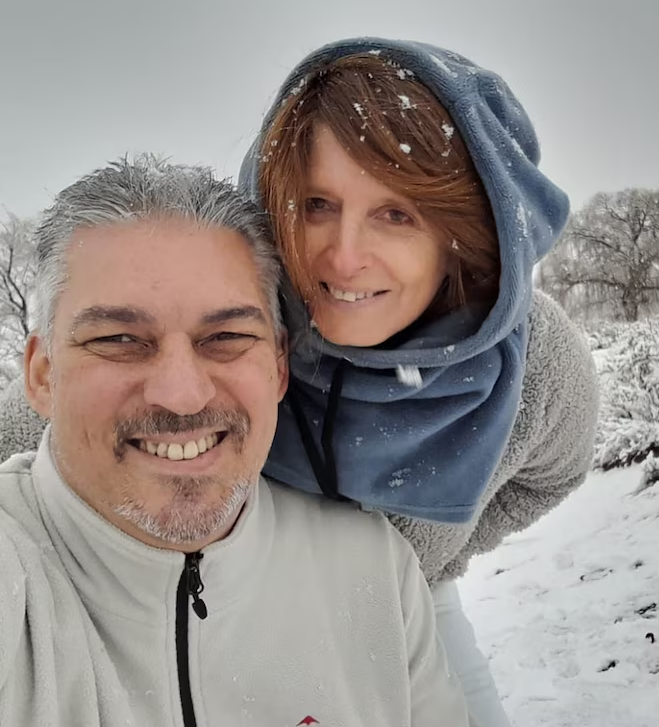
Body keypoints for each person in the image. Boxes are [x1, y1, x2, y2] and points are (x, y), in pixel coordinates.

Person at [0, 37, 600, 725]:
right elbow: (58, 431)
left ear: (462, 231)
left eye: (396, 214)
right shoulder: (232, 304)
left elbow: (553, 474)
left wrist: (425, 559)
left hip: (404, 604)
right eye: (316, 204)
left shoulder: (532, 363)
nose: (343, 257)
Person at [0, 157, 471, 727]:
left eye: (225, 336)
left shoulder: (373, 568)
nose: (182, 394)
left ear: (279, 366)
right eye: (120, 339)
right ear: (42, 374)